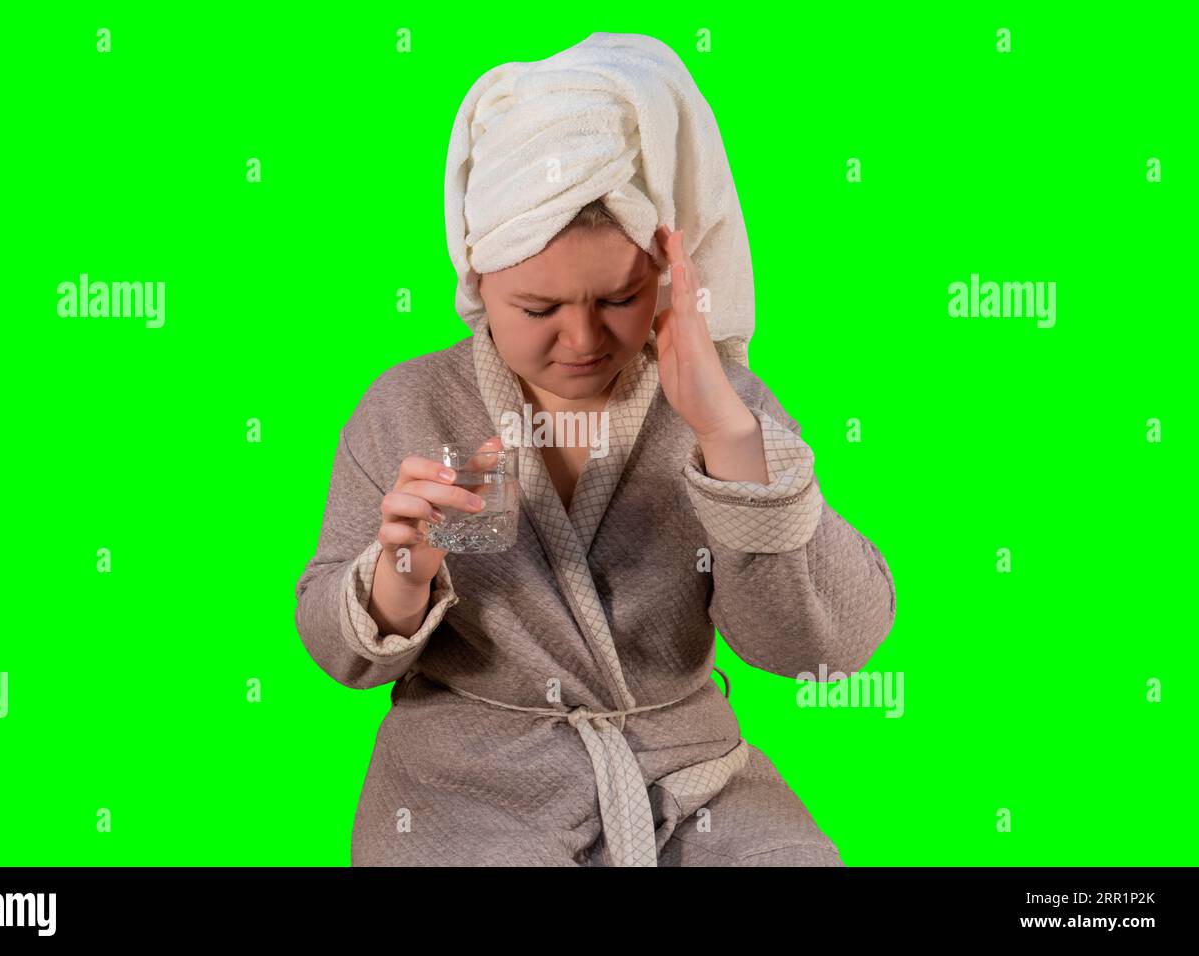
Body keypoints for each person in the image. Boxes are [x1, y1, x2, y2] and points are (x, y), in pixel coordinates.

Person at [294, 34, 896, 867]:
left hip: (684, 779)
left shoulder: (718, 407)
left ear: (665, 274)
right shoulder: (409, 406)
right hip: (469, 792)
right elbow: (338, 650)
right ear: (475, 275)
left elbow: (825, 651)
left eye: (617, 298)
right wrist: (403, 569)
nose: (580, 340)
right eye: (538, 307)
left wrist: (728, 436)